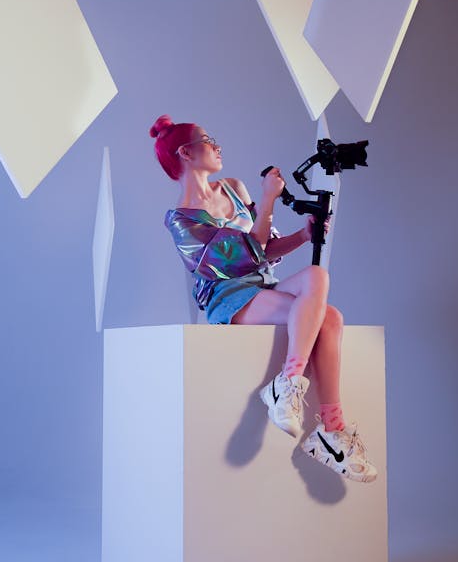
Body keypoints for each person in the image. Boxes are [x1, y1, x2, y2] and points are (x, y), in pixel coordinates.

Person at [154, 114, 377, 483]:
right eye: (208, 140)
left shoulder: (233, 189)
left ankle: (326, 424)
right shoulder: (180, 221)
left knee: (323, 292)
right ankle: (293, 390)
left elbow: (266, 249)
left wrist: (303, 236)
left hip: (264, 284)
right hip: (229, 297)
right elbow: (235, 260)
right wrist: (269, 200)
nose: (217, 145)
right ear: (186, 153)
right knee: (326, 319)